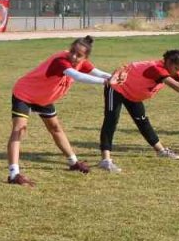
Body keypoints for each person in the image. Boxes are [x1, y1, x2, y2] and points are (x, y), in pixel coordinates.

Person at [6, 35, 117, 186]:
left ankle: (73, 162)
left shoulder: (81, 63)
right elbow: (76, 76)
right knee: (19, 129)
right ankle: (13, 174)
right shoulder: (61, 60)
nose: (73, 56)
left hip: (43, 98)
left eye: (79, 55)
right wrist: (106, 81)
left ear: (85, 57)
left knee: (55, 128)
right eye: (72, 51)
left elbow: (97, 72)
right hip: (25, 94)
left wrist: (114, 77)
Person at [98, 50, 179, 172]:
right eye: (175, 68)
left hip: (132, 93)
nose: (176, 71)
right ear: (168, 62)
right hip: (117, 88)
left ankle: (161, 151)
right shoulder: (157, 69)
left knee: (142, 120)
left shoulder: (170, 69)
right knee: (111, 121)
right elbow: (176, 85)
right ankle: (106, 160)